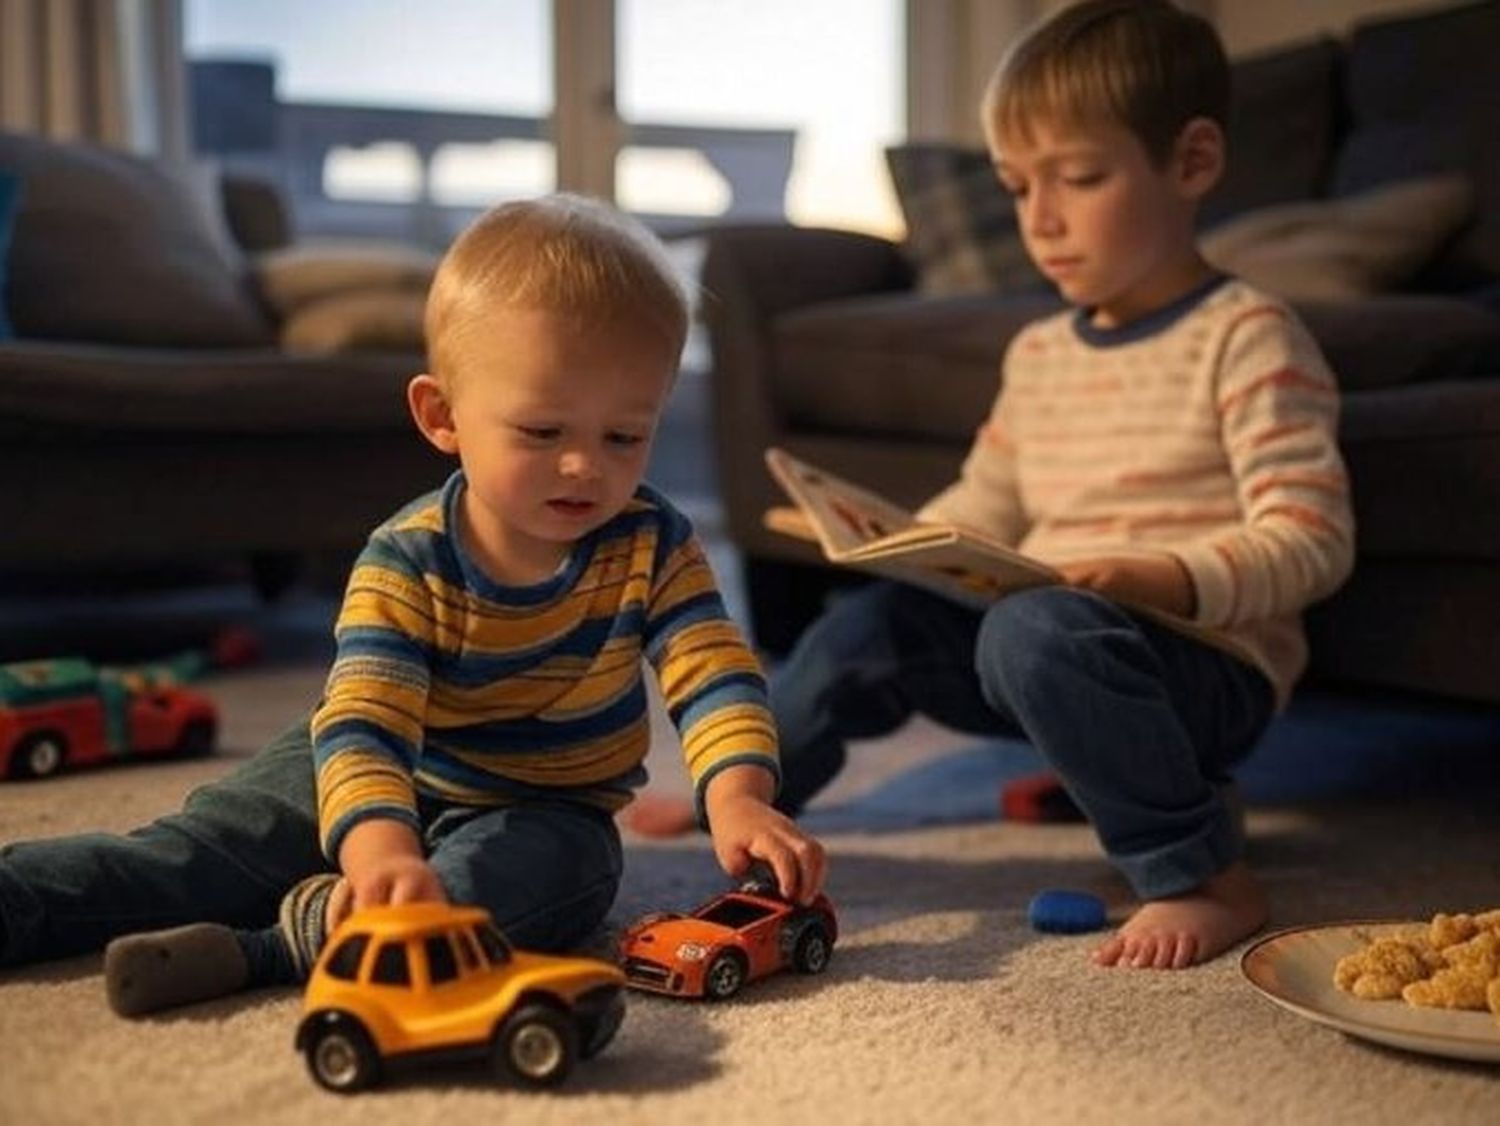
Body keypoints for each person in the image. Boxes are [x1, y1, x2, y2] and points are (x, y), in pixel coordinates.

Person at [627, 0, 1353, 970]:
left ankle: (1203, 872)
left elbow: (1313, 537)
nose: (1040, 220)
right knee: (867, 625)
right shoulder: (1041, 352)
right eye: (1017, 187)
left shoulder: (1248, 336)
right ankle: (750, 792)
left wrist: (1162, 576)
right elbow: (985, 496)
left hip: (1199, 661)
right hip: (1049, 644)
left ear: (1191, 163)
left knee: (1032, 628)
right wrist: (894, 539)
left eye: (1081, 179)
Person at [0, 194, 826, 1015]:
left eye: (624, 437)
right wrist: (378, 844)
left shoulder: (653, 540)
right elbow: (365, 719)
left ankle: (279, 945)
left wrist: (737, 795)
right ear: (442, 417)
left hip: (547, 805)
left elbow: (710, 666)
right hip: (380, 757)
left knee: (544, 890)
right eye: (543, 433)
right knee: (194, 858)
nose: (586, 467)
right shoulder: (407, 557)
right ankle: (23, 897)